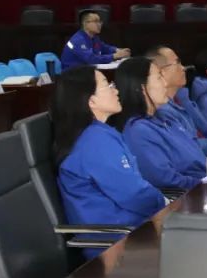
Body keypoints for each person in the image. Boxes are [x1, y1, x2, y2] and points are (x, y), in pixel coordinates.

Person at [53, 66, 165, 260]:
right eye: (107, 85)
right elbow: (134, 194)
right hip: (117, 247)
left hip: (132, 233)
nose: (116, 90)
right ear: (91, 101)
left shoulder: (98, 134)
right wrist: (165, 203)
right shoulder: (94, 141)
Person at [116, 57, 207, 191]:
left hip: (206, 182)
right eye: (159, 77)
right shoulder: (138, 131)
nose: (165, 83)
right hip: (191, 195)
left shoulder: (166, 117)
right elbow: (166, 180)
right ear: (141, 87)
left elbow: (196, 154)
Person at [146, 45, 207, 155]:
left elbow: (204, 125)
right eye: (177, 63)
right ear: (161, 72)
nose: (183, 68)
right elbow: (187, 146)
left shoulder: (182, 97)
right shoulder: (161, 110)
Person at [61, 10, 130, 71]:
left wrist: (117, 50)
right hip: (71, 75)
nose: (99, 24)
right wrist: (114, 56)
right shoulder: (78, 40)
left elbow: (104, 48)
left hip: (84, 72)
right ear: (85, 23)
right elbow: (91, 59)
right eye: (96, 21)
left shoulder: (94, 37)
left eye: (100, 21)